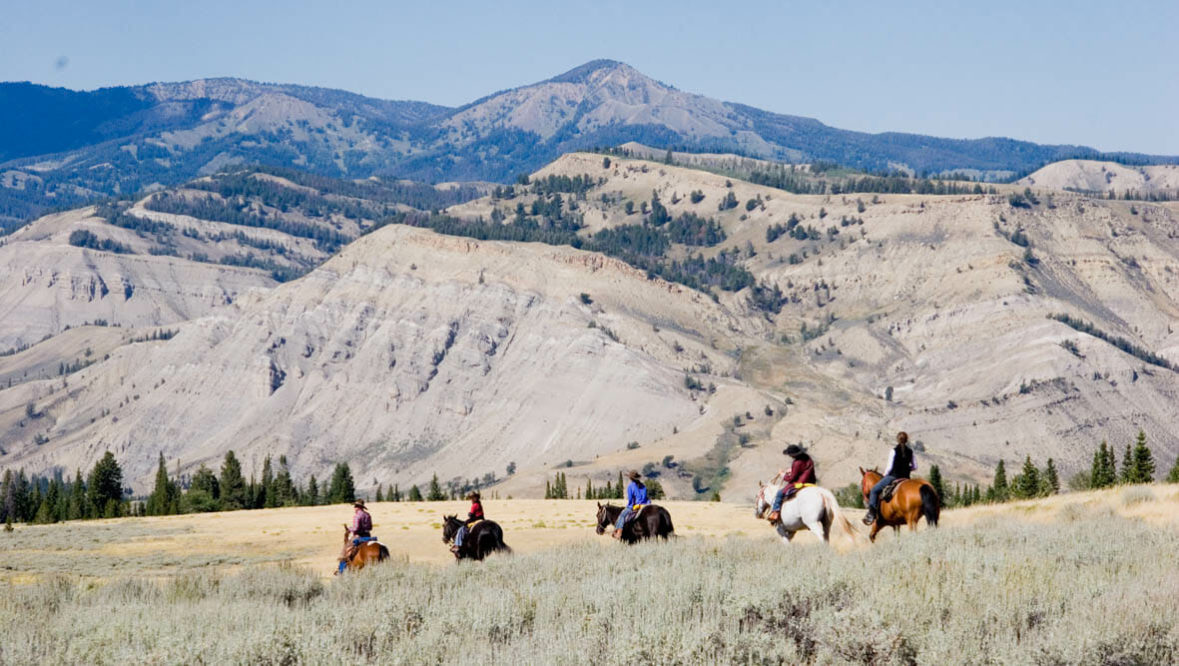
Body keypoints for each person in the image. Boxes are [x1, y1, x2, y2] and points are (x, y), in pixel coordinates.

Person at [863, 431, 917, 525]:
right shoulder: (910, 451)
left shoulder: (893, 451)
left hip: (893, 477)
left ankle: (871, 514)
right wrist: (908, 469)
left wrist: (884, 475)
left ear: (897, 439)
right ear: (906, 440)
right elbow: (915, 466)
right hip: (906, 478)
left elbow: (889, 467)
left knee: (874, 490)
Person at [766, 444, 817, 522]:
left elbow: (791, 478)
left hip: (800, 483)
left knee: (780, 493)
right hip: (811, 482)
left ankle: (775, 512)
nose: (790, 456)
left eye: (790, 455)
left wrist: (782, 475)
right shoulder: (807, 458)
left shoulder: (796, 462)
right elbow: (803, 469)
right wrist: (792, 470)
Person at [337, 499, 374, 575]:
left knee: (345, 551)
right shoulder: (367, 515)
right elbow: (370, 527)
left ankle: (341, 570)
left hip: (358, 536)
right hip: (367, 536)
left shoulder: (357, 516)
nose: (354, 508)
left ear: (358, 507)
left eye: (355, 506)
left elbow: (356, 528)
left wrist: (349, 529)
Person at [613, 471, 649, 539]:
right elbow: (645, 496)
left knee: (622, 515)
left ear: (631, 479)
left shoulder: (631, 486)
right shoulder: (643, 486)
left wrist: (629, 506)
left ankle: (619, 533)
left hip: (636, 505)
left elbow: (630, 499)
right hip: (646, 504)